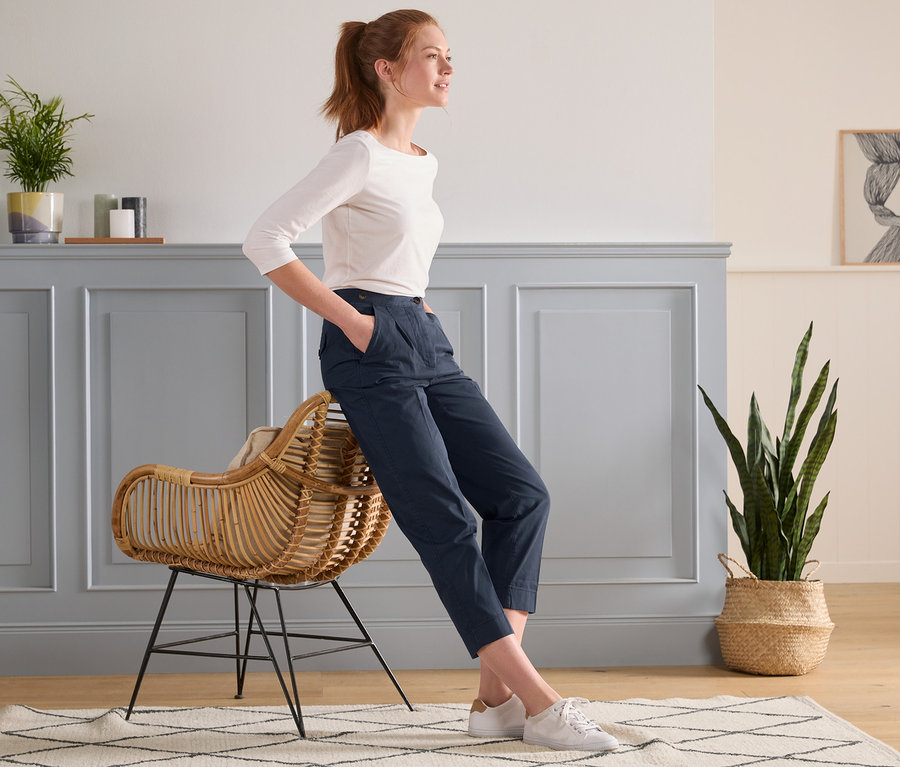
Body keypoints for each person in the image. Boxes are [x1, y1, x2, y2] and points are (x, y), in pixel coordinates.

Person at [243, 9, 618, 753]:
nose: (447, 69)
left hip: (420, 334)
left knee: (521, 495)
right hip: (371, 343)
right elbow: (265, 239)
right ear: (386, 68)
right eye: (431, 56)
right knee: (443, 517)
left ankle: (494, 701)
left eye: (451, 57)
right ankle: (541, 703)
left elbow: (393, 245)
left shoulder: (421, 157)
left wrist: (410, 302)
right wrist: (355, 321)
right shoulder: (358, 153)